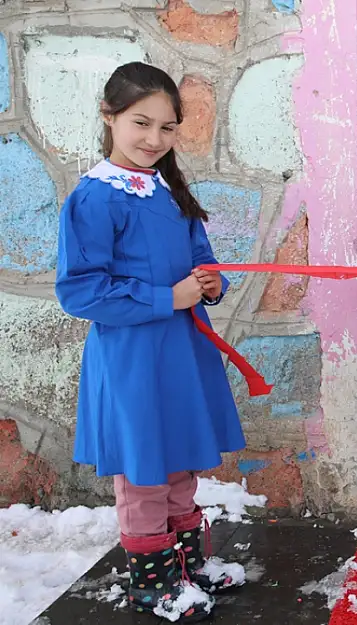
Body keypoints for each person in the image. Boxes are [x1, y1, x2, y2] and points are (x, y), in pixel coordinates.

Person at [55, 62, 247, 622]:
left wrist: (210, 282)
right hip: (133, 359)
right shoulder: (95, 199)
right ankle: (152, 581)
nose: (154, 140)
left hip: (181, 353)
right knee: (144, 471)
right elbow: (82, 293)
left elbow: (200, 259)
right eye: (142, 123)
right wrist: (171, 299)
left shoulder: (167, 191)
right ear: (109, 118)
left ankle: (187, 565)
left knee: (180, 460)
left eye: (167, 129)